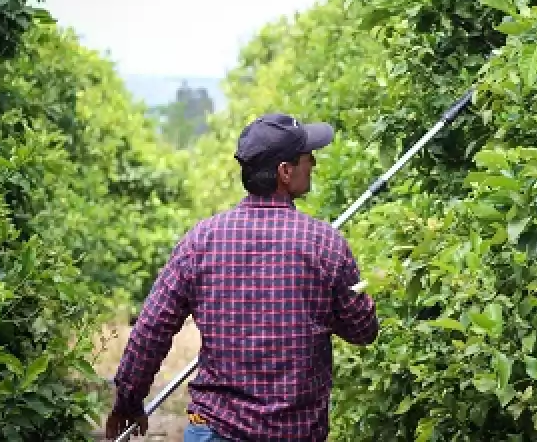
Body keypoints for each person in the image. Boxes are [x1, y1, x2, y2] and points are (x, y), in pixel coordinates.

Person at [105, 113, 380, 441]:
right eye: (308, 158)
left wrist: (128, 401)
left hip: (213, 429)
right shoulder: (324, 243)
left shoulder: (201, 240)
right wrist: (360, 293)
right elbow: (363, 331)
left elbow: (152, 329)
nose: (314, 164)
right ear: (285, 171)